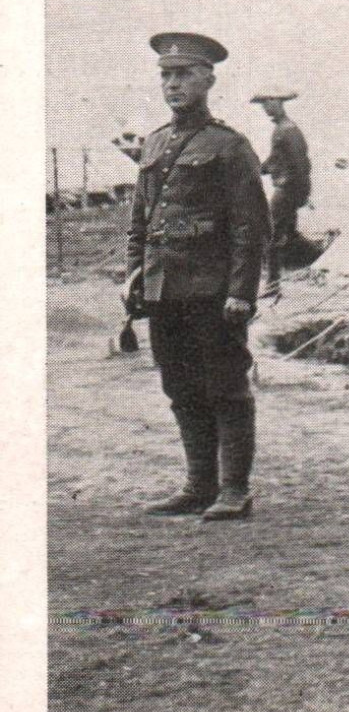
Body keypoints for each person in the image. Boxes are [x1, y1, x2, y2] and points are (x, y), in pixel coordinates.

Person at [126, 32, 270, 520]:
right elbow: (140, 223)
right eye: (166, 75)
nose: (173, 84)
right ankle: (197, 485)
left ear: (208, 79)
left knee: (226, 387)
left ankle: (234, 490)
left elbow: (252, 227)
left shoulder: (229, 146)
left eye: (184, 74)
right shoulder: (154, 144)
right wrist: (135, 282)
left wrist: (241, 292)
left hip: (211, 292)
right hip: (164, 289)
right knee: (180, 387)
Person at [251, 85, 312, 298]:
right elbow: (275, 159)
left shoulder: (288, 130)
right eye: (264, 104)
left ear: (280, 103)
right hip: (285, 188)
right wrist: (256, 170)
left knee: (270, 234)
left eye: (270, 102)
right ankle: (275, 282)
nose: (267, 108)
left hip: (287, 190)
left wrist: (303, 194)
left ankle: (272, 285)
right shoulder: (281, 129)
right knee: (282, 234)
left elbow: (301, 164)